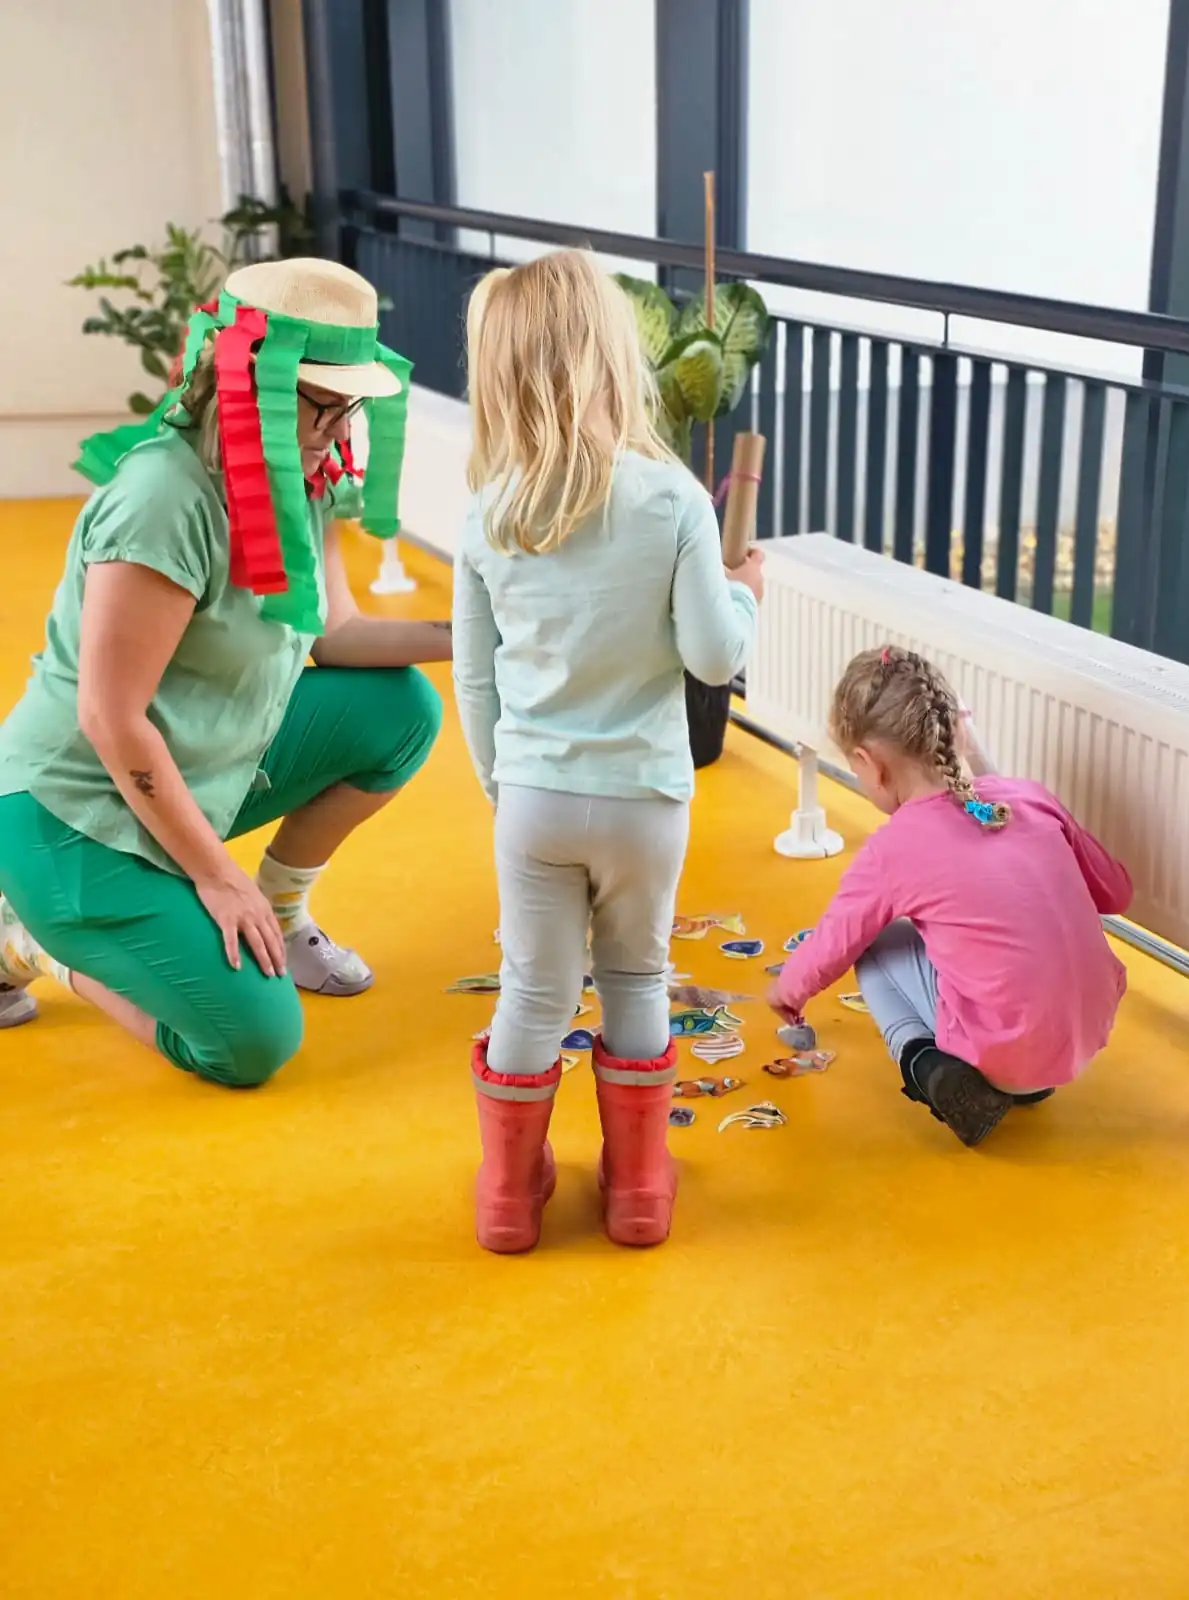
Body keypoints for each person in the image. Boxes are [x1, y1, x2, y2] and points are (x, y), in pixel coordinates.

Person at [0, 258, 448, 1086]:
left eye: (350, 406)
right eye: (322, 403)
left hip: (196, 766)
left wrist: (482, 632)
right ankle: (30, 938)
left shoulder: (301, 475)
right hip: (74, 808)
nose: (338, 429)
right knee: (251, 1043)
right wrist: (217, 876)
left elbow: (340, 635)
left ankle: (282, 912)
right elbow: (109, 717)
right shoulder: (164, 498)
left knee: (400, 710)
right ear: (248, 381)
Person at [453, 250, 762, 1253]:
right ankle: (637, 1189)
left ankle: (508, 1195)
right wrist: (745, 594)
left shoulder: (488, 513)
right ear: (611, 356)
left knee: (534, 991)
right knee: (635, 977)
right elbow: (712, 656)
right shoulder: (671, 498)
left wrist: (504, 785)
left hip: (534, 798)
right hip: (644, 802)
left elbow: (476, 682)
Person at [767, 646, 1132, 1147]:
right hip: (1085, 1034)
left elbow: (834, 941)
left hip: (1005, 1048)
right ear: (955, 733)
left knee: (872, 942)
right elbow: (1116, 893)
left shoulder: (896, 848)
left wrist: (786, 994)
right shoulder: (1028, 797)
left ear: (869, 764)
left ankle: (925, 1063)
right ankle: (1027, 1081)